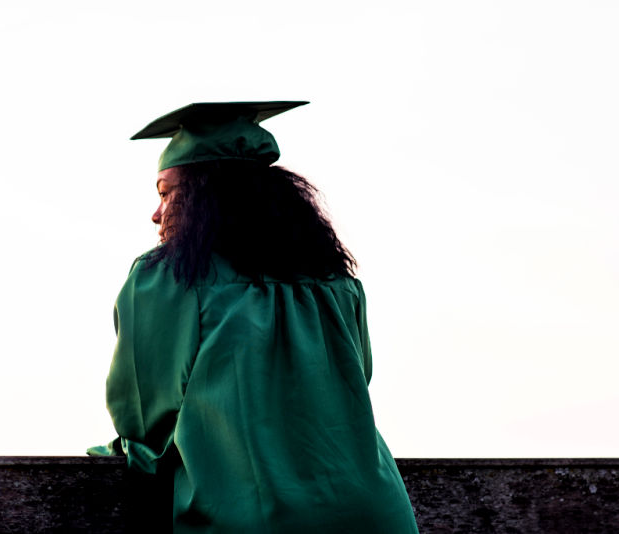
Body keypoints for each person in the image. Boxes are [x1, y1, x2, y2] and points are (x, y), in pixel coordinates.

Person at [94, 101, 419, 533]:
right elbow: (353, 386)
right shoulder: (336, 281)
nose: (156, 213)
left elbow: (144, 419)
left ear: (201, 198)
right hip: (376, 515)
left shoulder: (169, 278)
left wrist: (121, 451)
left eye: (165, 193)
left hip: (252, 519)